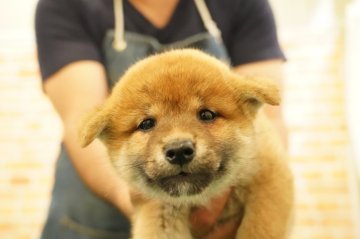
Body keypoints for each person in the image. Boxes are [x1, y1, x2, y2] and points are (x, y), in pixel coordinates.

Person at [35, 0, 287, 238]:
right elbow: (80, 119)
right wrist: (143, 201)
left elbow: (269, 120)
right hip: (90, 224)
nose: (178, 143)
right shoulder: (66, 4)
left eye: (206, 115)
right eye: (146, 123)